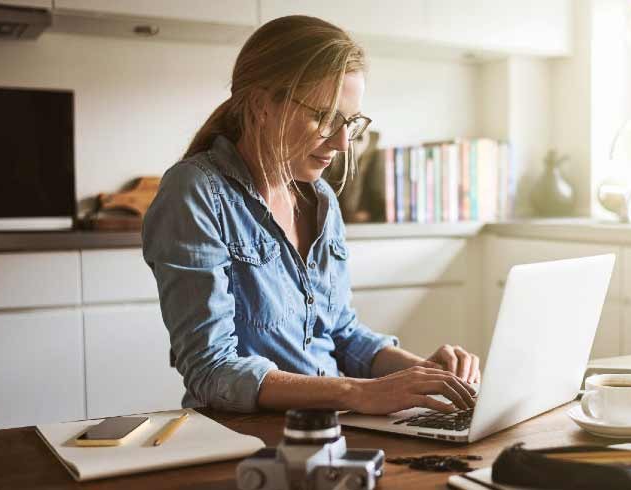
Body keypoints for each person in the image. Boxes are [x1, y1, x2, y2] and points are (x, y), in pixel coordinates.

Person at [142, 15, 480, 416]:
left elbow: (341, 334)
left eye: (350, 123)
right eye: (323, 117)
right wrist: (357, 393)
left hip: (333, 427)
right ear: (262, 105)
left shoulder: (320, 200)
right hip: (243, 436)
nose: (341, 142)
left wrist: (427, 374)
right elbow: (211, 369)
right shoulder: (196, 192)